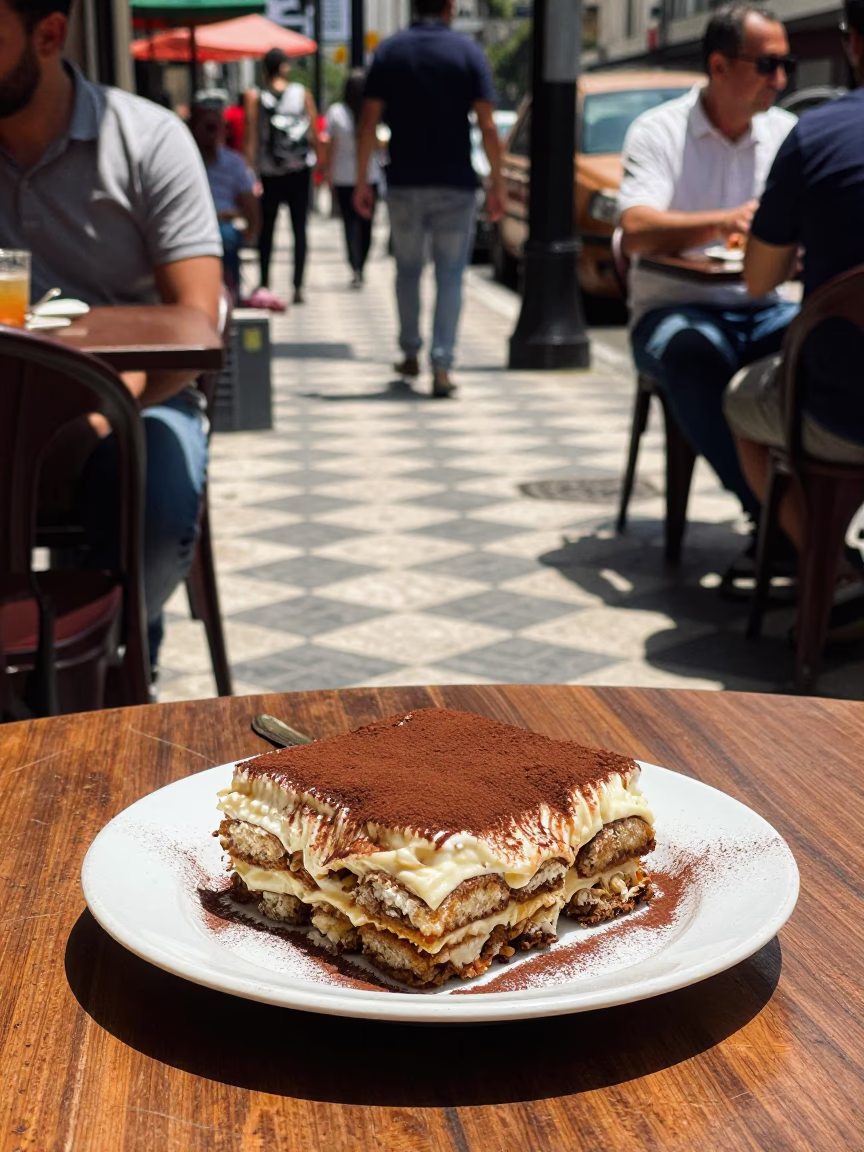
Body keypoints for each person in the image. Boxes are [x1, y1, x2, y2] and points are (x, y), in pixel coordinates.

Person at [0, 0, 222, 678]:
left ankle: (109, 670)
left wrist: (93, 414)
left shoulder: (149, 139)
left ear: (48, 34)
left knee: (149, 501)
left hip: (141, 398)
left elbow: (196, 318)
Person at [618, 3, 798, 542]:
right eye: (767, 65)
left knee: (827, 340)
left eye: (784, 65)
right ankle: (780, 526)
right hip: (670, 309)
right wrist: (725, 221)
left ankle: (813, 508)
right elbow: (636, 229)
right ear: (719, 66)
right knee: (694, 352)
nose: (781, 80)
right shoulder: (659, 131)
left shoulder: (787, 133)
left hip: (762, 307)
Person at [723, 0, 864, 629]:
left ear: (852, 44)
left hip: (842, 413)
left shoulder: (815, 134)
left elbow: (758, 279)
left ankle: (829, 562)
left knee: (741, 401)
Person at [354, 0, 505, 398]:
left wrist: (361, 181)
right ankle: (442, 365)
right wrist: (498, 184)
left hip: (404, 181)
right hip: (456, 182)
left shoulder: (390, 51)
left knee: (407, 270)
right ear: (450, 8)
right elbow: (488, 124)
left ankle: (409, 351)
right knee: (451, 274)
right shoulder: (468, 53)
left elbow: (368, 120)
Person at [244, 47, 318, 306]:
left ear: (264, 68)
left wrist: (249, 172)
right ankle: (298, 286)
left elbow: (251, 138)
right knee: (300, 229)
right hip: (299, 170)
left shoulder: (255, 96)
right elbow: (314, 133)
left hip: (269, 172)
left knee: (267, 230)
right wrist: (322, 167)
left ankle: (264, 282)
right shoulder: (302, 93)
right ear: (284, 67)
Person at [190, 91, 260, 299]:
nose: (212, 134)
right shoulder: (183, 161)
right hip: (191, 224)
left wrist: (252, 226)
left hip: (223, 222)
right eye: (207, 127)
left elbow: (249, 201)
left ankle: (231, 293)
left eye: (216, 127)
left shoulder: (233, 162)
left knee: (227, 237)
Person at [325, 70, 382, 289]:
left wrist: (328, 173)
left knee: (350, 223)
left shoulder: (336, 112)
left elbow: (330, 146)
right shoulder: (372, 109)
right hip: (369, 176)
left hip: (345, 176)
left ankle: (355, 264)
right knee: (367, 223)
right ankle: (361, 264)